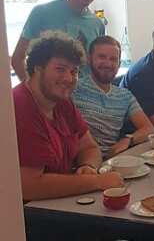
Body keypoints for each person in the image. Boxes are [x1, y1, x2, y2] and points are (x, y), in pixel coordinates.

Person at [13, 32, 123, 201]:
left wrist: (87, 166)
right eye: (60, 69)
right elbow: (28, 186)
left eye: (74, 71)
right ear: (37, 68)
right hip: (30, 210)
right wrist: (96, 181)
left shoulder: (62, 102)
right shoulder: (20, 105)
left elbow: (90, 148)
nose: (69, 78)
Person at [11, 0, 109, 81]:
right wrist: (32, 89)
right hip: (48, 92)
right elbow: (17, 58)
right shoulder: (42, 13)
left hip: (84, 93)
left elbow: (96, 67)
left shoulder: (97, 24)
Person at [73, 36, 154, 158]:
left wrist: (128, 139)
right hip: (82, 162)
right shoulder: (73, 89)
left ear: (119, 64)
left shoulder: (125, 96)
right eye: (102, 57)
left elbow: (149, 128)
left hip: (112, 160)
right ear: (89, 59)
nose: (108, 63)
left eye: (113, 59)